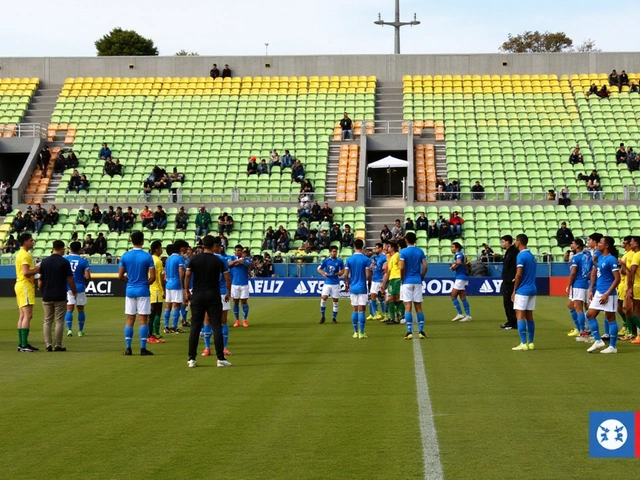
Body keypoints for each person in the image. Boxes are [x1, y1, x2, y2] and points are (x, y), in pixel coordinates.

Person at [185, 235, 232, 368]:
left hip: (198, 295)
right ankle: (220, 358)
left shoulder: (194, 259)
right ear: (213, 246)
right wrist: (228, 292)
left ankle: (192, 359)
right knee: (216, 325)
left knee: (195, 326)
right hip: (213, 294)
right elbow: (227, 278)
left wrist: (186, 291)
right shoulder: (218, 261)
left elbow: (187, 276)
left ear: (203, 245)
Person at [118, 231, 156, 356]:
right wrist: (145, 283)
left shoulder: (125, 256)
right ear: (143, 241)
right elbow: (152, 277)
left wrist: (128, 281)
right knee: (143, 320)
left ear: (131, 241)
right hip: (143, 290)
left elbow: (120, 276)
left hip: (130, 290)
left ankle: (128, 348)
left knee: (130, 319)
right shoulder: (147, 256)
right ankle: (143, 348)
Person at [585, 237, 621, 354]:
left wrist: (607, 294)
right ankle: (598, 340)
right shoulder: (601, 258)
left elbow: (617, 279)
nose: (598, 244)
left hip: (608, 293)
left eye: (600, 242)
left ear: (606, 246)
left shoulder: (611, 259)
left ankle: (612, 346)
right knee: (590, 314)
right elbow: (598, 271)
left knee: (611, 318)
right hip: (599, 292)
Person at [39, 240, 76, 352]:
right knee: (59, 320)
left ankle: (48, 344)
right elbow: (70, 279)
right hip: (60, 294)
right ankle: (58, 344)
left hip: (47, 294)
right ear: (61, 248)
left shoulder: (44, 262)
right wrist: (74, 291)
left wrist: (42, 291)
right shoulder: (64, 262)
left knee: (47, 320)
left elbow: (40, 280)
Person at [511, 234, 537, 351]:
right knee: (529, 316)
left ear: (519, 242)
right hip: (532, 288)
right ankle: (531, 343)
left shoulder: (521, 256)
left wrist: (514, 290)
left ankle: (523, 343)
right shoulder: (531, 255)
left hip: (523, 290)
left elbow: (519, 273)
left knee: (520, 316)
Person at [399, 232, 428, 340]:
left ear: (406, 240)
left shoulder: (403, 252)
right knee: (418, 307)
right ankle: (421, 331)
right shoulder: (420, 251)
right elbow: (425, 266)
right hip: (417, 280)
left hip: (407, 281)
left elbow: (402, 267)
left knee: (408, 307)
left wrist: (402, 278)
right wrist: (421, 277)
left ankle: (409, 331)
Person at [15, 233, 40, 352]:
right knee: (27, 315)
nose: (33, 242)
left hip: (20, 284)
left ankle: (22, 343)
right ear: (25, 242)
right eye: (31, 240)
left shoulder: (20, 253)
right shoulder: (25, 255)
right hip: (25, 285)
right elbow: (25, 272)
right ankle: (24, 345)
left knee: (22, 315)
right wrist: (38, 268)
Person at [344, 239, 371, 338]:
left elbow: (345, 274)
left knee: (354, 309)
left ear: (354, 246)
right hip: (362, 287)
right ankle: (362, 332)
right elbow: (368, 275)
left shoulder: (349, 259)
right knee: (361, 310)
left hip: (353, 287)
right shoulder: (366, 259)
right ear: (362, 247)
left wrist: (347, 284)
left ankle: (355, 332)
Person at [64, 241, 91, 338]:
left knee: (69, 309)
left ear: (69, 249)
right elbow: (87, 276)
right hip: (79, 287)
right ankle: (80, 331)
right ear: (80, 250)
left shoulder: (64, 259)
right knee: (80, 309)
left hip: (68, 287)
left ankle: (69, 330)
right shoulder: (83, 261)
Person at [566, 238, 590, 340]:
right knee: (583, 307)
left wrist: (569, 284)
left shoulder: (576, 257)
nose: (571, 245)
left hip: (578, 284)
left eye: (573, 243)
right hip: (586, 284)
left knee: (579, 309)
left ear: (578, 246)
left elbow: (573, 272)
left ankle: (582, 331)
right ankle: (587, 330)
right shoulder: (587, 256)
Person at [317, 246, 345, 324]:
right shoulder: (326, 261)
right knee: (324, 298)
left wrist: (340, 273)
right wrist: (323, 273)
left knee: (335, 301)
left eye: (335, 251)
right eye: (333, 251)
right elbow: (319, 269)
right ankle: (322, 316)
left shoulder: (339, 261)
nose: (334, 253)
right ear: (330, 252)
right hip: (327, 282)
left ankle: (334, 318)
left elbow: (343, 270)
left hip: (335, 283)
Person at [228, 245, 251, 328]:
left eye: (239, 250)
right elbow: (228, 264)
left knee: (244, 301)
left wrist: (237, 261)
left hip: (244, 283)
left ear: (242, 251)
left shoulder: (247, 258)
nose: (238, 252)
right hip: (234, 283)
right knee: (236, 302)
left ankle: (244, 320)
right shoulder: (231, 257)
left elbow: (247, 264)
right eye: (236, 250)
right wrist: (237, 261)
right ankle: (237, 320)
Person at [147, 240, 166, 344]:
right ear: (156, 249)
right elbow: (160, 277)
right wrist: (163, 290)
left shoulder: (149, 259)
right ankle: (151, 335)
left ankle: (152, 334)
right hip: (156, 289)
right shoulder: (157, 261)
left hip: (151, 289)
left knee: (154, 312)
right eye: (161, 248)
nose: (162, 250)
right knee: (155, 312)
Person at [450, 242, 471, 323]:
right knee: (462, 297)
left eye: (453, 247)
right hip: (463, 277)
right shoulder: (461, 254)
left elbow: (458, 262)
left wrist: (453, 266)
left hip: (460, 278)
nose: (452, 249)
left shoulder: (458, 254)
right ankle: (468, 315)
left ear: (457, 248)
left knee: (453, 296)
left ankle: (460, 314)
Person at [500, 235, 518, 330]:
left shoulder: (514, 252)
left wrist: (513, 277)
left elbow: (515, 266)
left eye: (503, 241)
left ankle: (513, 322)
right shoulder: (509, 252)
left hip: (510, 281)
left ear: (508, 242)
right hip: (507, 280)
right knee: (506, 302)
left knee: (510, 302)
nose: (502, 244)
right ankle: (510, 321)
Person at [625, 236, 640, 345]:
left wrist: (630, 288)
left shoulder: (637, 255)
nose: (631, 243)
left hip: (637, 286)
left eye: (632, 242)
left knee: (636, 310)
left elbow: (632, 272)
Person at [368, 242, 388, 321]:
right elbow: (371, 266)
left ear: (380, 248)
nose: (375, 249)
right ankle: (376, 313)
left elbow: (386, 268)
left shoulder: (384, 257)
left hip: (380, 279)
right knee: (372, 295)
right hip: (374, 279)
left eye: (376, 248)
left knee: (381, 297)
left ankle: (385, 313)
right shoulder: (373, 257)